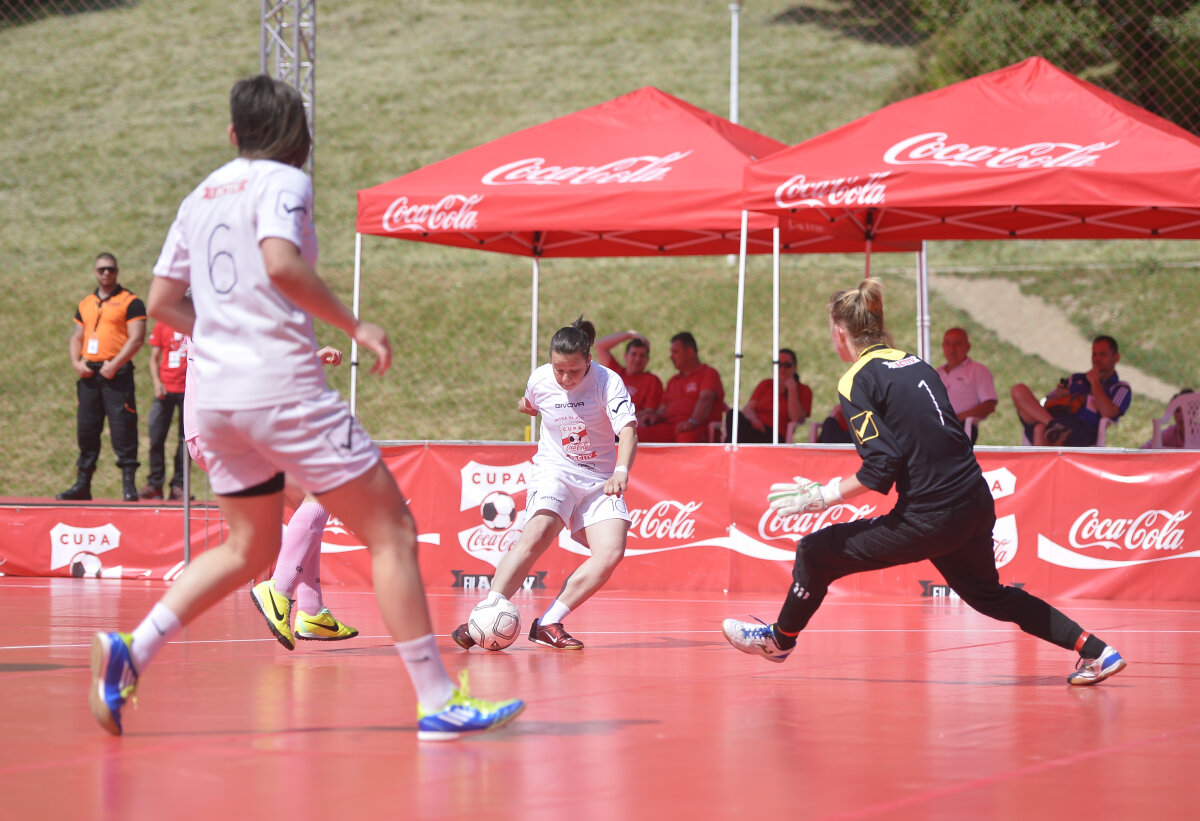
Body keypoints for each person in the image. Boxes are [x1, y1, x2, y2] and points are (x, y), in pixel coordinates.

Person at [87, 74, 522, 741]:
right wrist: (355, 326)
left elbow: (164, 299)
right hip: (281, 388)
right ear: (297, 135)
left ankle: (133, 648)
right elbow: (283, 264)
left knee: (248, 543)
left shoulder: (199, 195)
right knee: (392, 533)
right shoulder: (285, 183)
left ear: (233, 133)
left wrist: (227, 332)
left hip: (217, 402)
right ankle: (438, 698)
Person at [722, 277, 1126, 687]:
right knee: (990, 596)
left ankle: (780, 639)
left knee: (814, 551)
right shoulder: (917, 363)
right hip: (974, 500)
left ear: (841, 332)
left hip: (931, 516)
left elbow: (882, 466)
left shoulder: (857, 379)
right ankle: (1097, 651)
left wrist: (820, 497)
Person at [452, 316, 637, 652]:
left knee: (611, 552)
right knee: (535, 535)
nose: (565, 378)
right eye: (558, 369)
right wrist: (525, 406)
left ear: (589, 362)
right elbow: (530, 403)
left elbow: (627, 430)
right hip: (556, 470)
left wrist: (621, 471)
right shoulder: (539, 379)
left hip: (600, 479)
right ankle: (485, 614)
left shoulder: (607, 382)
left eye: (574, 371)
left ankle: (549, 622)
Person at [57, 253, 147, 503]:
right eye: (101, 269)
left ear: (117, 271)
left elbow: (137, 338)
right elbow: (77, 336)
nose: (106, 273)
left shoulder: (131, 301)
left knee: (123, 428)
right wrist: (77, 363)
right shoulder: (86, 303)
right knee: (87, 429)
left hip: (116, 373)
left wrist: (115, 364)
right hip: (89, 374)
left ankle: (129, 486)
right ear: (95, 272)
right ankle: (82, 484)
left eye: (110, 269)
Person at [1011, 335, 1132, 446]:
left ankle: (1044, 461)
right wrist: (1055, 397)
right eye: (1094, 354)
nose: (1097, 359)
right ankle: (1053, 425)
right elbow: (1043, 403)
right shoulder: (1076, 379)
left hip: (1079, 427)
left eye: (1102, 354)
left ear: (1116, 357)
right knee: (1018, 390)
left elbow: (1108, 413)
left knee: (1040, 430)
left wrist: (1095, 382)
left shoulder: (1120, 388)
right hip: (1051, 417)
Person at [637, 332, 725, 443]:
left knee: (685, 440)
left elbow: (706, 399)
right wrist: (655, 417)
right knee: (635, 436)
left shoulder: (708, 373)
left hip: (697, 428)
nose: (671, 357)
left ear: (690, 352)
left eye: (675, 352)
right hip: (668, 427)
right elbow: (663, 408)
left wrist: (692, 422)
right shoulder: (673, 380)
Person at [139, 320, 188, 500]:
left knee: (186, 441)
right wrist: (156, 383)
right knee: (156, 435)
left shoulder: (194, 321)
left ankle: (179, 485)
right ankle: (155, 484)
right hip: (165, 389)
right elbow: (154, 358)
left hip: (188, 391)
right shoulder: (163, 323)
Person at [726, 349, 812, 443]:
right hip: (755, 426)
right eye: (778, 365)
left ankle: (731, 452)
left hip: (775, 434)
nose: (782, 369)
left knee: (736, 437)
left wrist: (792, 390)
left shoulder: (803, 390)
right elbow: (748, 408)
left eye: (787, 365)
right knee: (733, 415)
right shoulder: (766, 384)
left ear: (795, 367)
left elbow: (797, 418)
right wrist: (755, 421)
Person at [935, 327, 997, 443]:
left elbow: (989, 405)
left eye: (957, 344)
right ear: (943, 346)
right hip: (936, 425)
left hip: (961, 426)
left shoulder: (978, 370)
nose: (952, 348)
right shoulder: (936, 373)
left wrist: (960, 417)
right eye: (948, 343)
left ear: (968, 347)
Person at [594, 329, 664, 424]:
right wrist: (630, 335)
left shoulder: (651, 380)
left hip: (633, 426)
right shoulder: (615, 372)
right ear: (625, 356)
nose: (637, 359)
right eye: (634, 354)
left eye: (642, 355)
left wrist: (622, 422)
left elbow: (649, 412)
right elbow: (600, 346)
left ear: (647, 359)